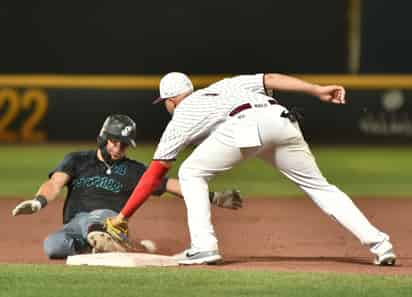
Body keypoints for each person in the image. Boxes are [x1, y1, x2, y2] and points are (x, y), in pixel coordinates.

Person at [107, 73, 396, 266]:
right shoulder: (225, 85)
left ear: (170, 101)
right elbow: (271, 78)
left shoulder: (181, 116)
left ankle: (204, 245)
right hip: (282, 118)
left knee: (190, 172)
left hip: (246, 124)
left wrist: (123, 216)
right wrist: (316, 89)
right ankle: (381, 246)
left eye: (165, 103)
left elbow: (154, 174)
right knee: (321, 187)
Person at [11, 114, 242, 259]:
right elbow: (54, 183)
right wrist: (38, 201)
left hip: (110, 221)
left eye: (124, 144)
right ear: (103, 138)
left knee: (96, 218)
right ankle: (110, 248)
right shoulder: (77, 159)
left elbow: (169, 185)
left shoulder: (134, 169)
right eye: (115, 142)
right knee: (53, 247)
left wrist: (212, 196)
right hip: (75, 224)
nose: (120, 148)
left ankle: (110, 239)